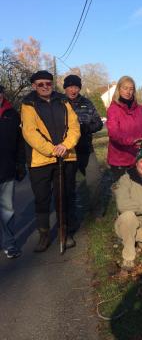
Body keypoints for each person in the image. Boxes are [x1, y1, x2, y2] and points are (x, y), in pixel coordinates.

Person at [21, 70, 80, 252]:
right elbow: (30, 132)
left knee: (64, 196)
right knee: (42, 199)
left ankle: (65, 232)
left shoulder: (63, 101)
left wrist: (66, 145)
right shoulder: (28, 104)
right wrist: (52, 150)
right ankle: (44, 235)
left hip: (66, 156)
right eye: (41, 84)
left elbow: (74, 126)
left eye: (48, 83)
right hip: (40, 161)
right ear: (34, 86)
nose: (45, 87)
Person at [63, 75, 103, 215]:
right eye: (70, 87)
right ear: (65, 88)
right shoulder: (59, 103)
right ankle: (69, 214)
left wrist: (87, 128)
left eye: (76, 87)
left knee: (95, 179)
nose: (73, 90)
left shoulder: (87, 103)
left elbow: (98, 123)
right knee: (68, 185)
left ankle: (96, 209)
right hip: (67, 151)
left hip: (86, 148)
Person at [0, 85, 26, 258]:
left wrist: (20, 164)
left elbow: (20, 143)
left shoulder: (12, 115)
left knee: (7, 210)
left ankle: (9, 244)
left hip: (7, 170)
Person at [107, 76, 142, 182]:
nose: (128, 91)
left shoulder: (139, 109)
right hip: (120, 159)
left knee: (139, 193)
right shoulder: (113, 109)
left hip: (138, 157)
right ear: (119, 89)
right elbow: (114, 133)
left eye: (131, 89)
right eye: (125, 88)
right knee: (124, 194)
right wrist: (132, 141)